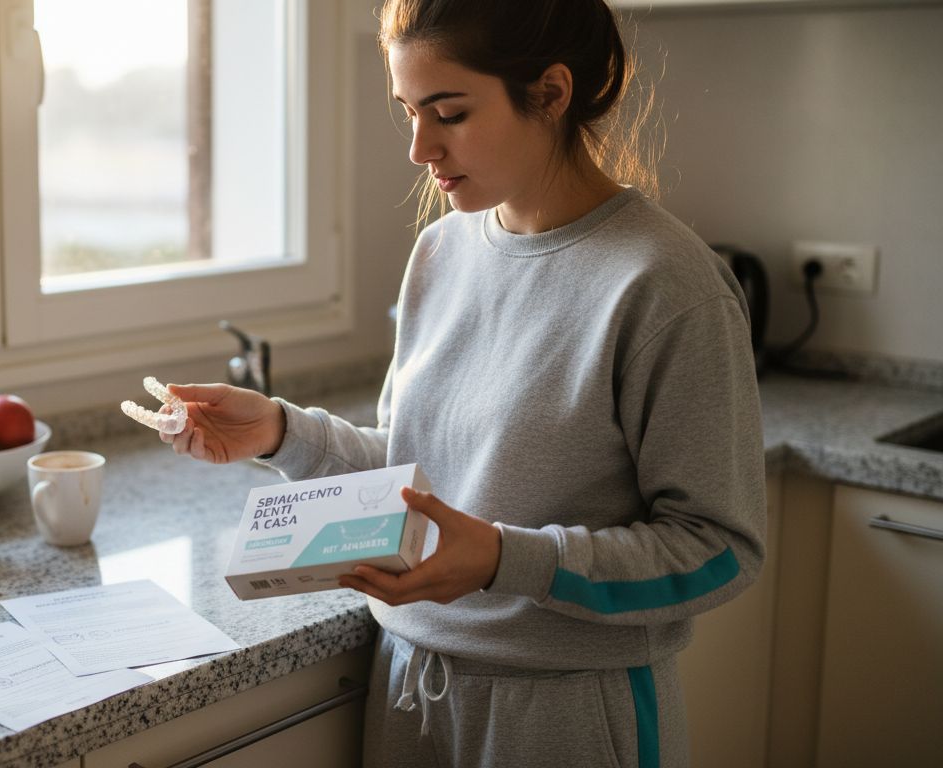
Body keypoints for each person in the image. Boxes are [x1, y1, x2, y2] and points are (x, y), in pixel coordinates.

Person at [156, 0, 766, 765]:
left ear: (550, 92)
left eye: (448, 112)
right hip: (411, 689)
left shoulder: (664, 285)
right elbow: (416, 476)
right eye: (408, 111)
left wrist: (510, 560)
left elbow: (719, 548)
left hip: (569, 712)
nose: (418, 147)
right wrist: (283, 432)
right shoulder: (439, 254)